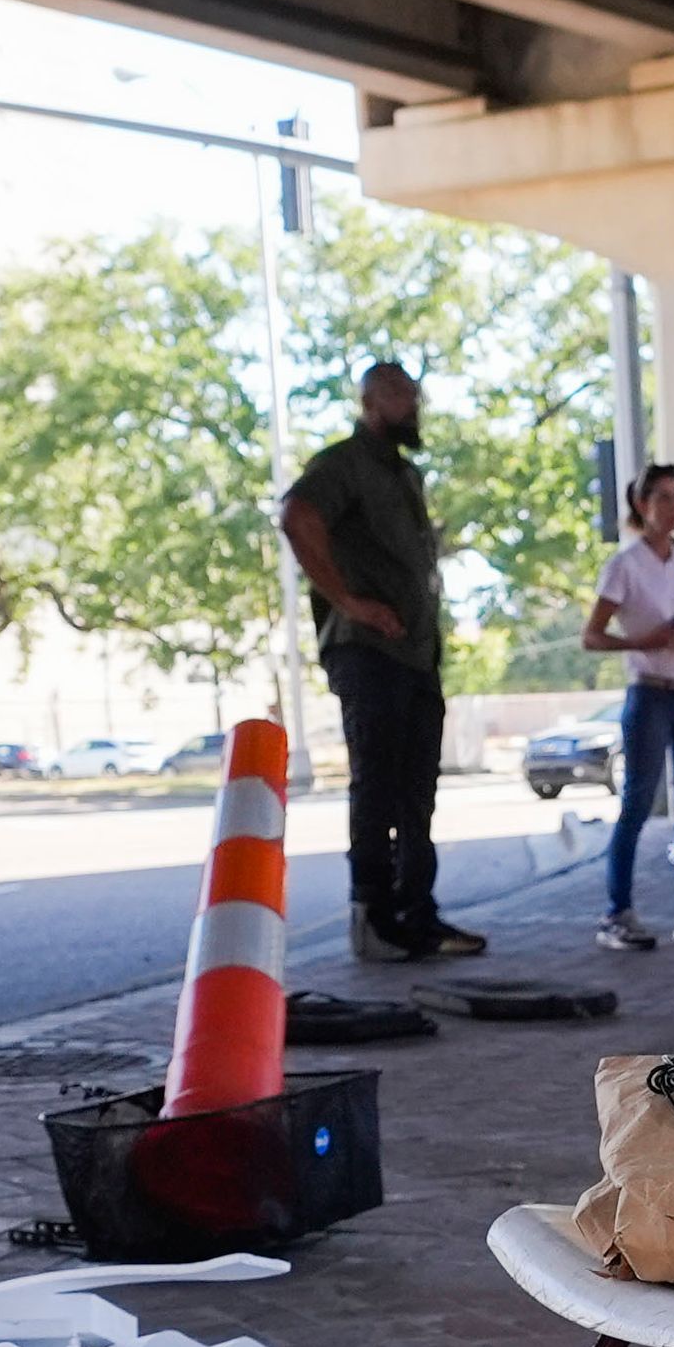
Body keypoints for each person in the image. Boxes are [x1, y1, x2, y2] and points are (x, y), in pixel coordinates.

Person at [279, 361, 484, 962]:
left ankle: (417, 915)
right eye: (401, 396)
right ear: (371, 401)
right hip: (367, 653)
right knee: (378, 783)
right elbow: (298, 516)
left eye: (415, 395)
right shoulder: (344, 464)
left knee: (418, 788)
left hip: (416, 655)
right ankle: (373, 915)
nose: (412, 405)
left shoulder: (405, 474)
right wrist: (349, 601)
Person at [579, 463, 674, 950]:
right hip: (651, 689)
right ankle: (617, 912)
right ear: (642, 506)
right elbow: (592, 636)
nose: (673, 508)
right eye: (663, 498)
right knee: (638, 800)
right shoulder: (625, 565)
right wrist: (641, 641)